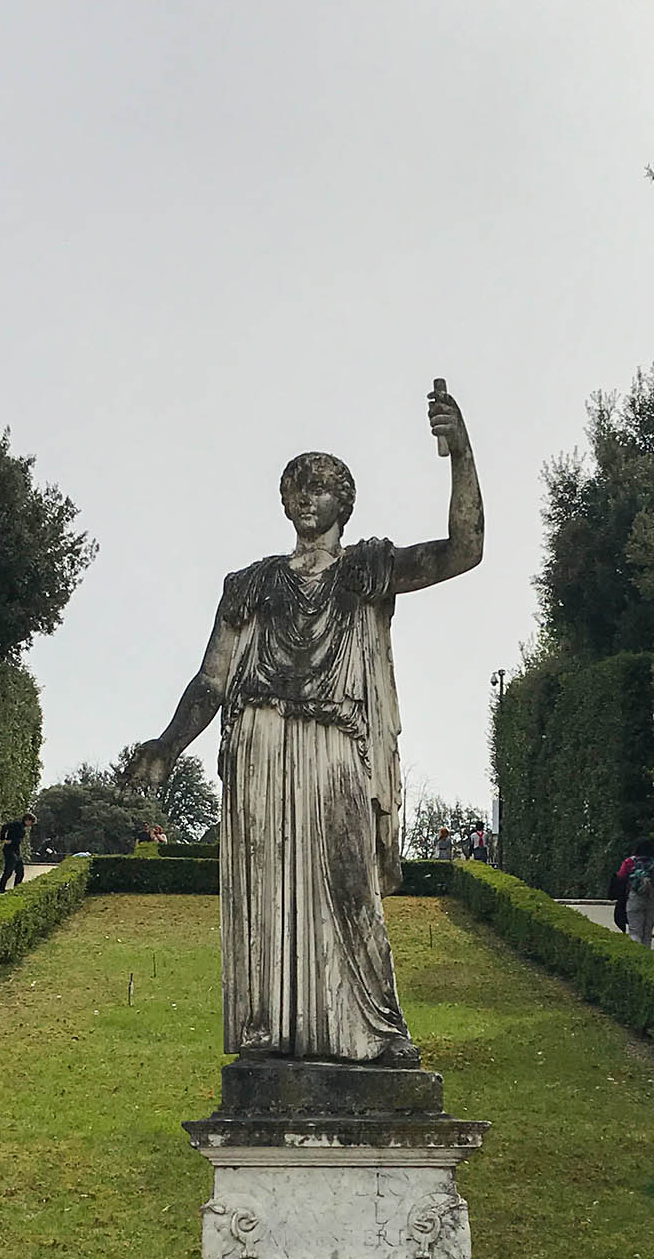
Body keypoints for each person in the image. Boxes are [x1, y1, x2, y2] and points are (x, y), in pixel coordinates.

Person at [125, 383, 484, 1062]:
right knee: (262, 889)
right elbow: (212, 678)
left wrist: (460, 454)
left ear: (343, 503)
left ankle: (375, 1028)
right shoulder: (250, 583)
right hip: (258, 741)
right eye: (296, 488)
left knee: (350, 883)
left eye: (319, 488)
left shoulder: (370, 569)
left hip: (336, 741)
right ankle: (267, 1029)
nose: (305, 498)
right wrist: (168, 745)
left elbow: (464, 550)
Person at [611, 838, 654, 948]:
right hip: (653, 899)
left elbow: (620, 877)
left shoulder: (629, 862)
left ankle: (636, 955)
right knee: (647, 932)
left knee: (635, 931)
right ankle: (647, 955)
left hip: (634, 898)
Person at [0, 811, 34, 890]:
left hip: (16, 850)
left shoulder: (23, 828)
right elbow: (4, 827)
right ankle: (2, 888)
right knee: (8, 870)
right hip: (9, 849)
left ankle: (16, 888)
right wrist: (3, 839)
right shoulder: (16, 825)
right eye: (31, 822)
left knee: (20, 871)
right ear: (27, 820)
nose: (30, 825)